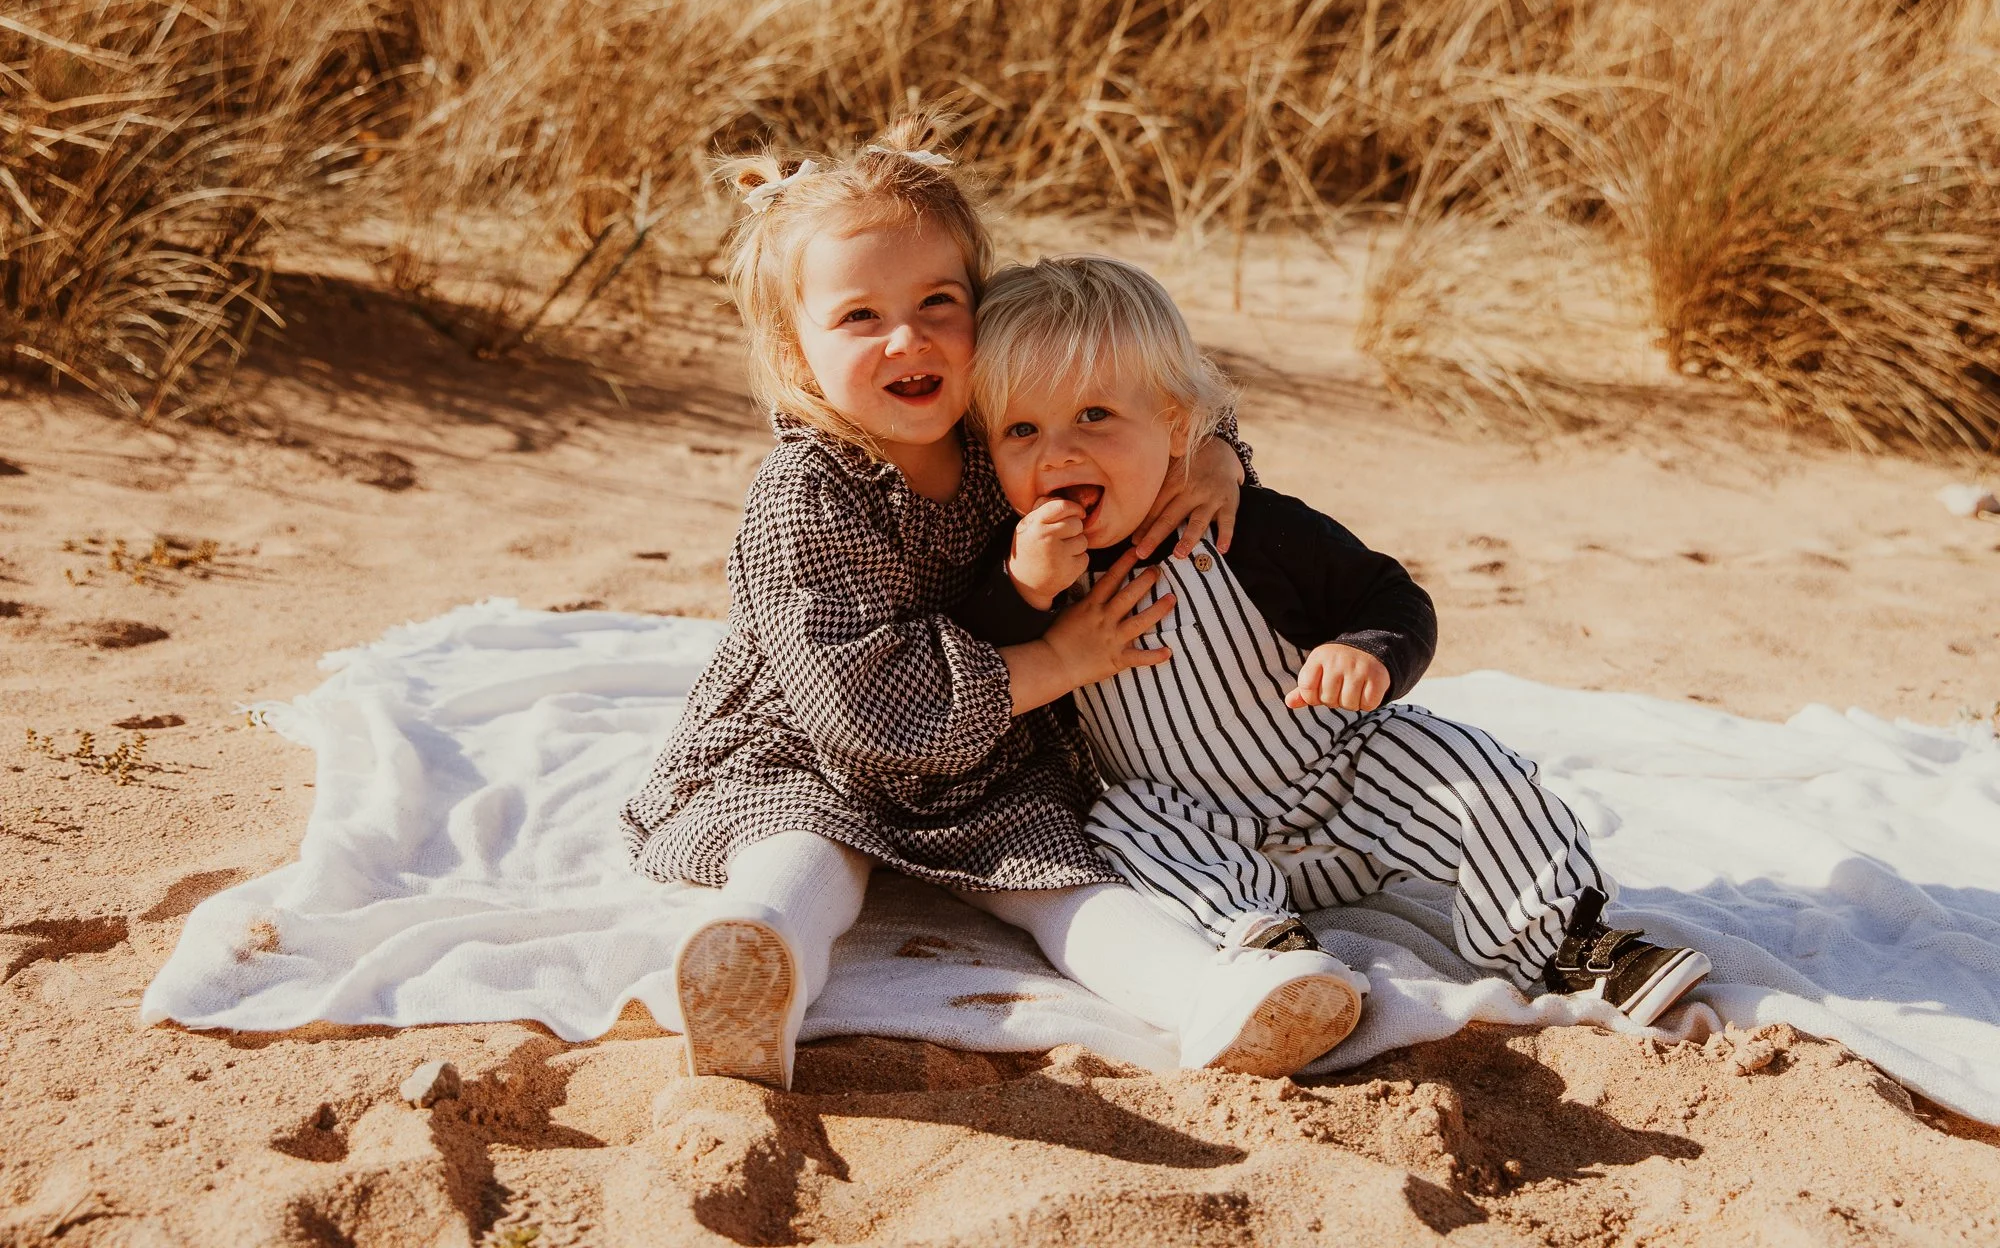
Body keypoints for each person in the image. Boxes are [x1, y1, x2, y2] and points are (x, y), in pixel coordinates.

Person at [620, 117, 1367, 1088]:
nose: (910, 336)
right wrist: (1057, 661)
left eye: (940, 300)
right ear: (796, 354)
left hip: (987, 753)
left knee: (1058, 872)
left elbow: (1151, 392)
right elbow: (858, 713)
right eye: (859, 317)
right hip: (812, 739)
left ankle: (1211, 998)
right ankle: (752, 964)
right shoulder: (806, 495)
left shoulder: (999, 419)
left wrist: (1214, 457)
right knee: (806, 846)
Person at [956, 253, 1713, 1031]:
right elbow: (983, 662)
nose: (1058, 454)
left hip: (1346, 782)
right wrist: (1024, 588)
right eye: (1023, 430)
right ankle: (1267, 949)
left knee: (1470, 764)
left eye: (1094, 418)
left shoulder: (1248, 527)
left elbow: (1391, 597)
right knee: (1120, 827)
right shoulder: (1025, 564)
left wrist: (1368, 651)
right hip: (1202, 826)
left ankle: (1571, 944)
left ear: (1177, 423)